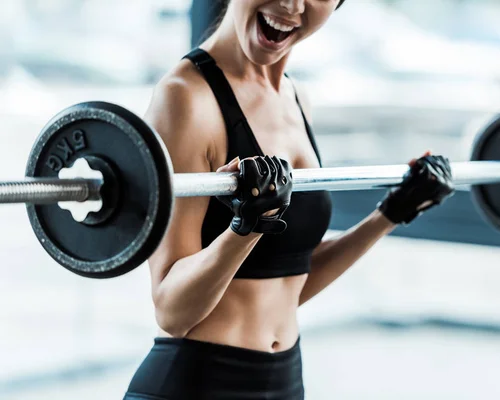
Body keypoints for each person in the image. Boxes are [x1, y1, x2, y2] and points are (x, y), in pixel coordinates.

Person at [123, 0, 454, 399]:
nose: (292, 4)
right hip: (198, 383)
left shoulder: (295, 97)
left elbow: (289, 281)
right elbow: (172, 311)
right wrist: (245, 229)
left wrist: (390, 213)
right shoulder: (186, 98)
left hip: (284, 381)